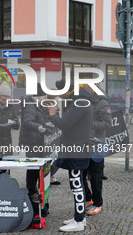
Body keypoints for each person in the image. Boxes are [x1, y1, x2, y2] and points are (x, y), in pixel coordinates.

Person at [48, 79, 93, 232]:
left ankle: (79, 221)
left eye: (61, 92)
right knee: (77, 183)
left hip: (76, 150)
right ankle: (79, 217)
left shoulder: (80, 102)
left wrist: (52, 114)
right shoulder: (80, 100)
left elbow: (64, 124)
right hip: (76, 148)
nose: (60, 95)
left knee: (76, 184)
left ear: (67, 90)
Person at [83, 84, 112, 216]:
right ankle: (88, 198)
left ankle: (97, 204)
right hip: (84, 144)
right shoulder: (86, 101)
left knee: (95, 176)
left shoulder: (102, 103)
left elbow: (107, 124)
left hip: (97, 145)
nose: (83, 88)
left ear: (93, 89)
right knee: (82, 173)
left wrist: (88, 124)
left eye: (86, 87)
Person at [18, 83, 47, 202]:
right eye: (44, 95)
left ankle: (33, 189)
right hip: (31, 142)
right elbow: (27, 122)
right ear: (39, 96)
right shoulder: (31, 106)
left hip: (35, 141)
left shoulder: (37, 105)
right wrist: (39, 127)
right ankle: (31, 190)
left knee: (35, 166)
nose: (45, 98)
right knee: (33, 167)